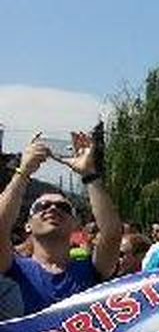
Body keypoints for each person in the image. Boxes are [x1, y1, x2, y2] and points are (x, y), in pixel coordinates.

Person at [0, 131, 120, 313]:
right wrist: (23, 171)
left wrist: (89, 174)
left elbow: (112, 233)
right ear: (27, 225)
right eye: (42, 206)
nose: (53, 208)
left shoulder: (91, 269)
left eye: (63, 207)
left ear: (75, 223)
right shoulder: (12, 267)